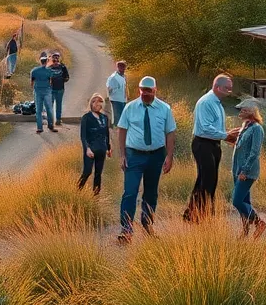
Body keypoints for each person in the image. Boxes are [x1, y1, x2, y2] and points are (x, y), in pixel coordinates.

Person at [116, 76, 176, 243]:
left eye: (149, 91)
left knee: (151, 193)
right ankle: (126, 229)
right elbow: (122, 130)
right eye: (143, 90)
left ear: (155, 90)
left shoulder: (164, 109)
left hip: (156, 156)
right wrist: (122, 155)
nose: (145, 94)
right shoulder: (130, 108)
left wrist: (169, 156)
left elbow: (170, 132)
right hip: (134, 155)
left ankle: (147, 224)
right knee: (130, 191)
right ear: (139, 90)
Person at [183, 74, 234, 222]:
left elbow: (215, 127)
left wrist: (226, 134)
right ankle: (202, 216)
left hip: (213, 144)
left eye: (230, 88)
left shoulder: (217, 103)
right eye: (227, 88)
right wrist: (226, 135)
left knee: (206, 179)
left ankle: (191, 214)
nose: (229, 91)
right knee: (208, 181)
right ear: (217, 87)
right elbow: (205, 128)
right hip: (203, 143)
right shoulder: (207, 102)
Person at [227, 98, 266, 238]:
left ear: (250, 112)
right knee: (244, 202)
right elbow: (240, 146)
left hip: (247, 172)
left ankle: (259, 223)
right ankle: (245, 232)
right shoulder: (245, 126)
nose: (240, 112)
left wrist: (244, 170)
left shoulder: (257, 129)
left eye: (243, 110)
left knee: (237, 201)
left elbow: (254, 152)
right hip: (237, 170)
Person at [78, 94, 111, 195]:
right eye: (94, 101)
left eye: (100, 101)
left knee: (98, 173)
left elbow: (106, 134)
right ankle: (77, 191)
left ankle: (96, 196)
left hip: (101, 149)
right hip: (91, 149)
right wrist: (87, 149)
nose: (97, 103)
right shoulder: (86, 118)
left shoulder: (104, 117)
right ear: (91, 103)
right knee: (87, 172)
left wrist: (108, 148)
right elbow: (83, 136)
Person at [30, 54, 57, 134]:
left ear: (40, 61)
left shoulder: (34, 71)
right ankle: (51, 126)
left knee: (38, 110)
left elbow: (32, 82)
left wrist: (34, 89)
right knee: (49, 109)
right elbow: (51, 81)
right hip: (47, 91)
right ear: (46, 62)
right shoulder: (49, 71)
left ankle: (39, 128)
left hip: (38, 91)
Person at [49, 51, 71, 126]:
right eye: (54, 57)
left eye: (57, 57)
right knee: (52, 105)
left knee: (57, 104)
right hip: (52, 89)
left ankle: (57, 119)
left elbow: (67, 77)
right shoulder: (50, 67)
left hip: (59, 89)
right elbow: (67, 78)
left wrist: (62, 80)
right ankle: (52, 120)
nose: (56, 59)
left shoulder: (62, 67)